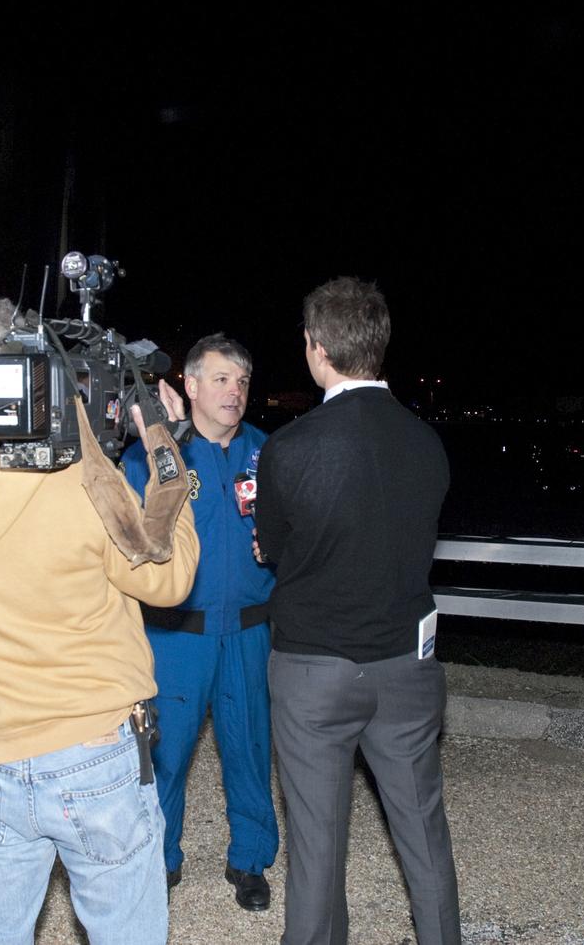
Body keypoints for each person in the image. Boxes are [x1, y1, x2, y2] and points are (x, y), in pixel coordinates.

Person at [0, 296, 200, 945]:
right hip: (94, 757)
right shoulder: (78, 485)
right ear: (33, 373)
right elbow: (168, 580)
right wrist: (166, 448)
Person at [254, 278, 461, 944]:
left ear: (317, 349)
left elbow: (276, 548)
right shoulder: (427, 444)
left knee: (317, 849)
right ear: (379, 346)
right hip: (406, 666)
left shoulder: (291, 448)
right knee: (424, 834)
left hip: (316, 669)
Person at [120, 333, 280, 911]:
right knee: (162, 755)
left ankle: (251, 860)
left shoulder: (269, 452)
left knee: (250, 747)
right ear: (188, 386)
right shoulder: (150, 456)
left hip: (248, 630)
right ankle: (158, 862)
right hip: (175, 634)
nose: (233, 392)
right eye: (219, 379)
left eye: (241, 381)